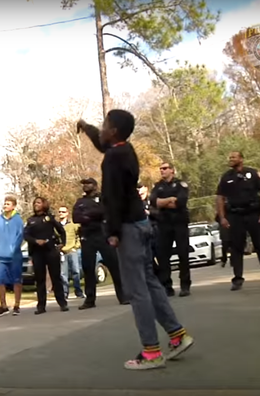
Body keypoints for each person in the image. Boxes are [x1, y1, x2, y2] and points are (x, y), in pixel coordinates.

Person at [78, 111, 194, 370]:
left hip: (127, 227)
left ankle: (151, 352)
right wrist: (86, 128)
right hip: (141, 223)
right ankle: (177, 335)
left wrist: (113, 231)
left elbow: (113, 197)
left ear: (114, 131)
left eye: (105, 125)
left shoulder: (113, 159)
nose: (103, 128)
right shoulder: (125, 149)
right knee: (150, 283)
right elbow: (100, 141)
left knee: (137, 291)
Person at [216, 151, 260, 291]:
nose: (231, 159)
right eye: (230, 157)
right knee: (236, 248)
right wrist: (222, 217)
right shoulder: (226, 177)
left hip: (253, 214)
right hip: (235, 215)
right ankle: (237, 279)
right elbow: (220, 197)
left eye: (234, 157)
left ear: (241, 159)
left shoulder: (253, 173)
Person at [72, 178, 127, 308]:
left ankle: (123, 295)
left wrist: (88, 214)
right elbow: (76, 217)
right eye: (83, 184)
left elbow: (104, 212)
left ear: (95, 185)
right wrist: (92, 215)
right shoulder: (80, 201)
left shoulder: (103, 198)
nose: (85, 186)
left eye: (88, 183)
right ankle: (90, 299)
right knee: (88, 268)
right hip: (87, 237)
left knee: (114, 265)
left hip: (103, 235)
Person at [149, 163, 192, 297]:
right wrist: (170, 200)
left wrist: (163, 202)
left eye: (165, 168)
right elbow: (153, 201)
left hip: (179, 223)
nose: (162, 170)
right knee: (163, 256)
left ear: (172, 170)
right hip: (163, 224)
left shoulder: (181, 185)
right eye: (160, 169)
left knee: (183, 254)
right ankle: (167, 286)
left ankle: (185, 285)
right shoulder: (158, 186)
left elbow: (181, 202)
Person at [24, 197, 69, 315]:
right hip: (37, 253)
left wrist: (62, 243)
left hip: (51, 251)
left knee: (56, 277)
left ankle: (62, 303)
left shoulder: (49, 218)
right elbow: (26, 235)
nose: (36, 205)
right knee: (40, 279)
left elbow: (61, 230)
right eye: (34, 203)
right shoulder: (31, 220)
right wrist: (35, 241)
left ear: (44, 204)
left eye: (38, 203)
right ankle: (41, 306)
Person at [0, 195, 25, 317]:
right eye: (5, 203)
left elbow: (20, 236)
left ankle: (16, 305)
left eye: (8, 204)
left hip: (14, 256)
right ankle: (3, 305)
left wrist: (13, 249)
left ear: (13, 206)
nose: (5, 205)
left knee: (16, 280)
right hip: (1, 256)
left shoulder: (18, 220)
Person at [57, 205, 84, 300]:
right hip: (62, 253)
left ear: (67, 213)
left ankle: (78, 292)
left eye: (63, 212)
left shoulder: (73, 225)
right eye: (60, 211)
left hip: (72, 251)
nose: (61, 213)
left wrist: (76, 247)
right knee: (63, 274)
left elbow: (79, 236)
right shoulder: (56, 226)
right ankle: (65, 293)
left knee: (76, 272)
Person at [138, 183, 160, 267]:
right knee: (148, 259)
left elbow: (161, 214)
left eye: (140, 188)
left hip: (156, 230)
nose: (139, 191)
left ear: (146, 188)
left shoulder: (153, 200)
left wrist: (149, 212)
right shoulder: (137, 204)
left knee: (161, 256)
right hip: (144, 233)